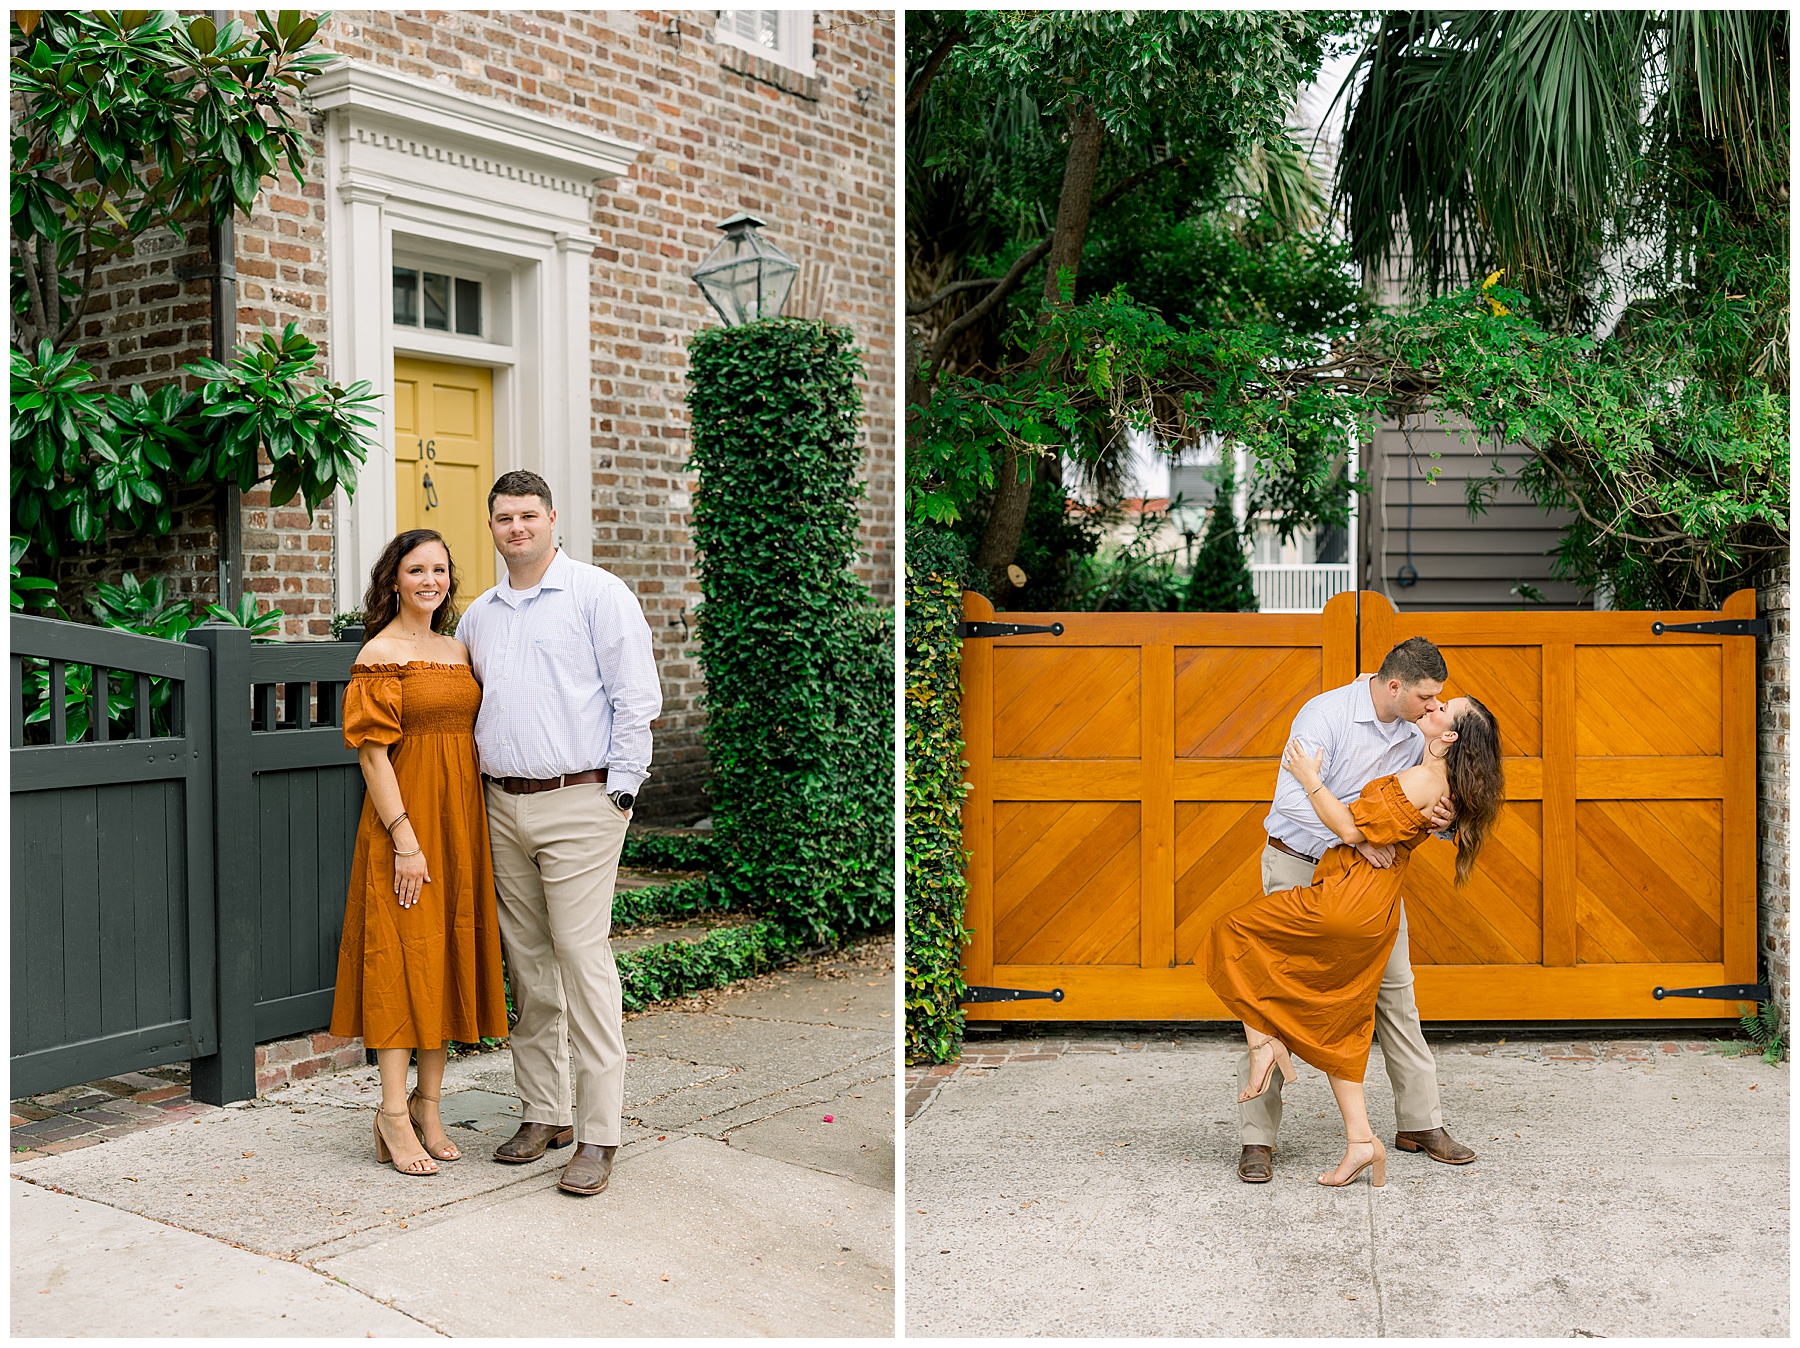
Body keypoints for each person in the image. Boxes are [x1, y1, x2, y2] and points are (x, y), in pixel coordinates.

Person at [454, 470, 662, 1198]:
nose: (517, 528)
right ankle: (546, 1112)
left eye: (529, 516)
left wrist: (622, 794)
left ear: (551, 519)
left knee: (581, 956)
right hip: (501, 805)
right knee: (529, 965)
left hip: (580, 801)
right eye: (504, 518)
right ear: (492, 526)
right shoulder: (477, 615)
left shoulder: (597, 594)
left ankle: (601, 1133)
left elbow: (637, 699)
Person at [1202, 690, 1505, 1187]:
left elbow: (1420, 807)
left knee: (1391, 999)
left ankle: (1419, 1124)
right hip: (1306, 865)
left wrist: (1443, 823)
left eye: (1439, 704)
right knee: (1298, 992)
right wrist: (1364, 834)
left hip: (1359, 894)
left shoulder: (1421, 749)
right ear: (1397, 687)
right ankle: (1263, 1139)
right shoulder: (1329, 716)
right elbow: (1299, 807)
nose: (1431, 706)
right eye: (1429, 697)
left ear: (1448, 734)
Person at [329, 529, 510, 1176]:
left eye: (439, 569)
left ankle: (429, 1105)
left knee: (444, 960)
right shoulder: (381, 652)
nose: (429, 580)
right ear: (394, 581)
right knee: (401, 967)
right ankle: (391, 1114)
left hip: (460, 824)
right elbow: (373, 756)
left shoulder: (456, 647)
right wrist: (404, 839)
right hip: (404, 830)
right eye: (415, 570)